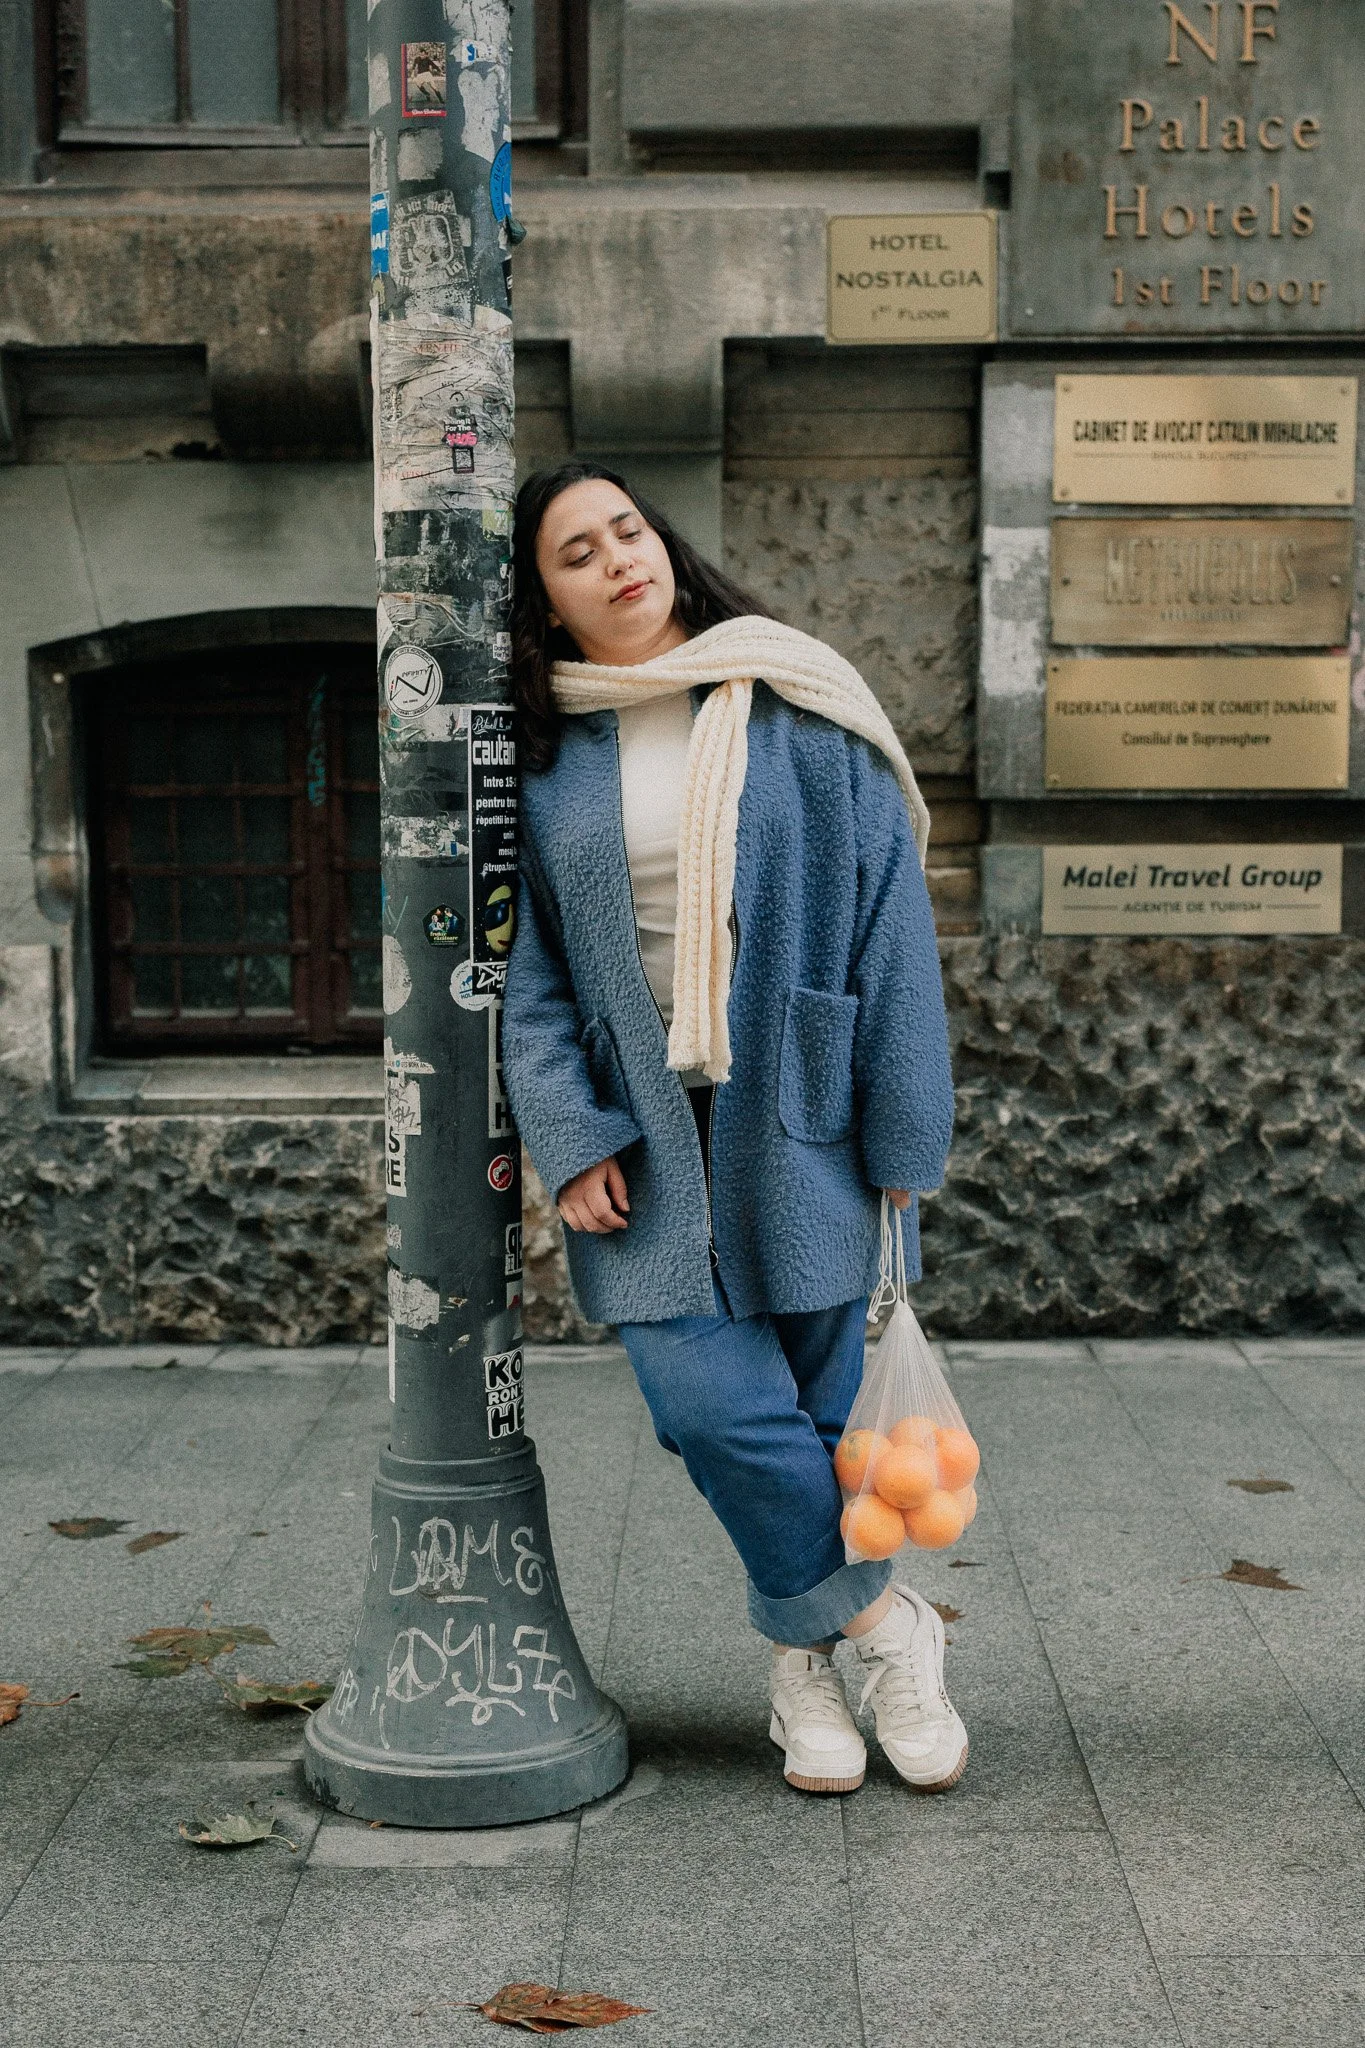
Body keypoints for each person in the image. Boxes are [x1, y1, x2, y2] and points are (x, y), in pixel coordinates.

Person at [502, 460, 963, 1796]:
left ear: (665, 545)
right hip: (640, 1131)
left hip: (805, 1112)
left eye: (629, 531)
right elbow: (529, 974)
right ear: (545, 603)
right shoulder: (544, 759)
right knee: (714, 1413)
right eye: (578, 554)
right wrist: (568, 1132)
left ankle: (802, 1670)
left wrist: (903, 1135)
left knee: (818, 1417)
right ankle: (891, 1628)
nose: (618, 561)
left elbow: (892, 931)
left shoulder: (796, 700)